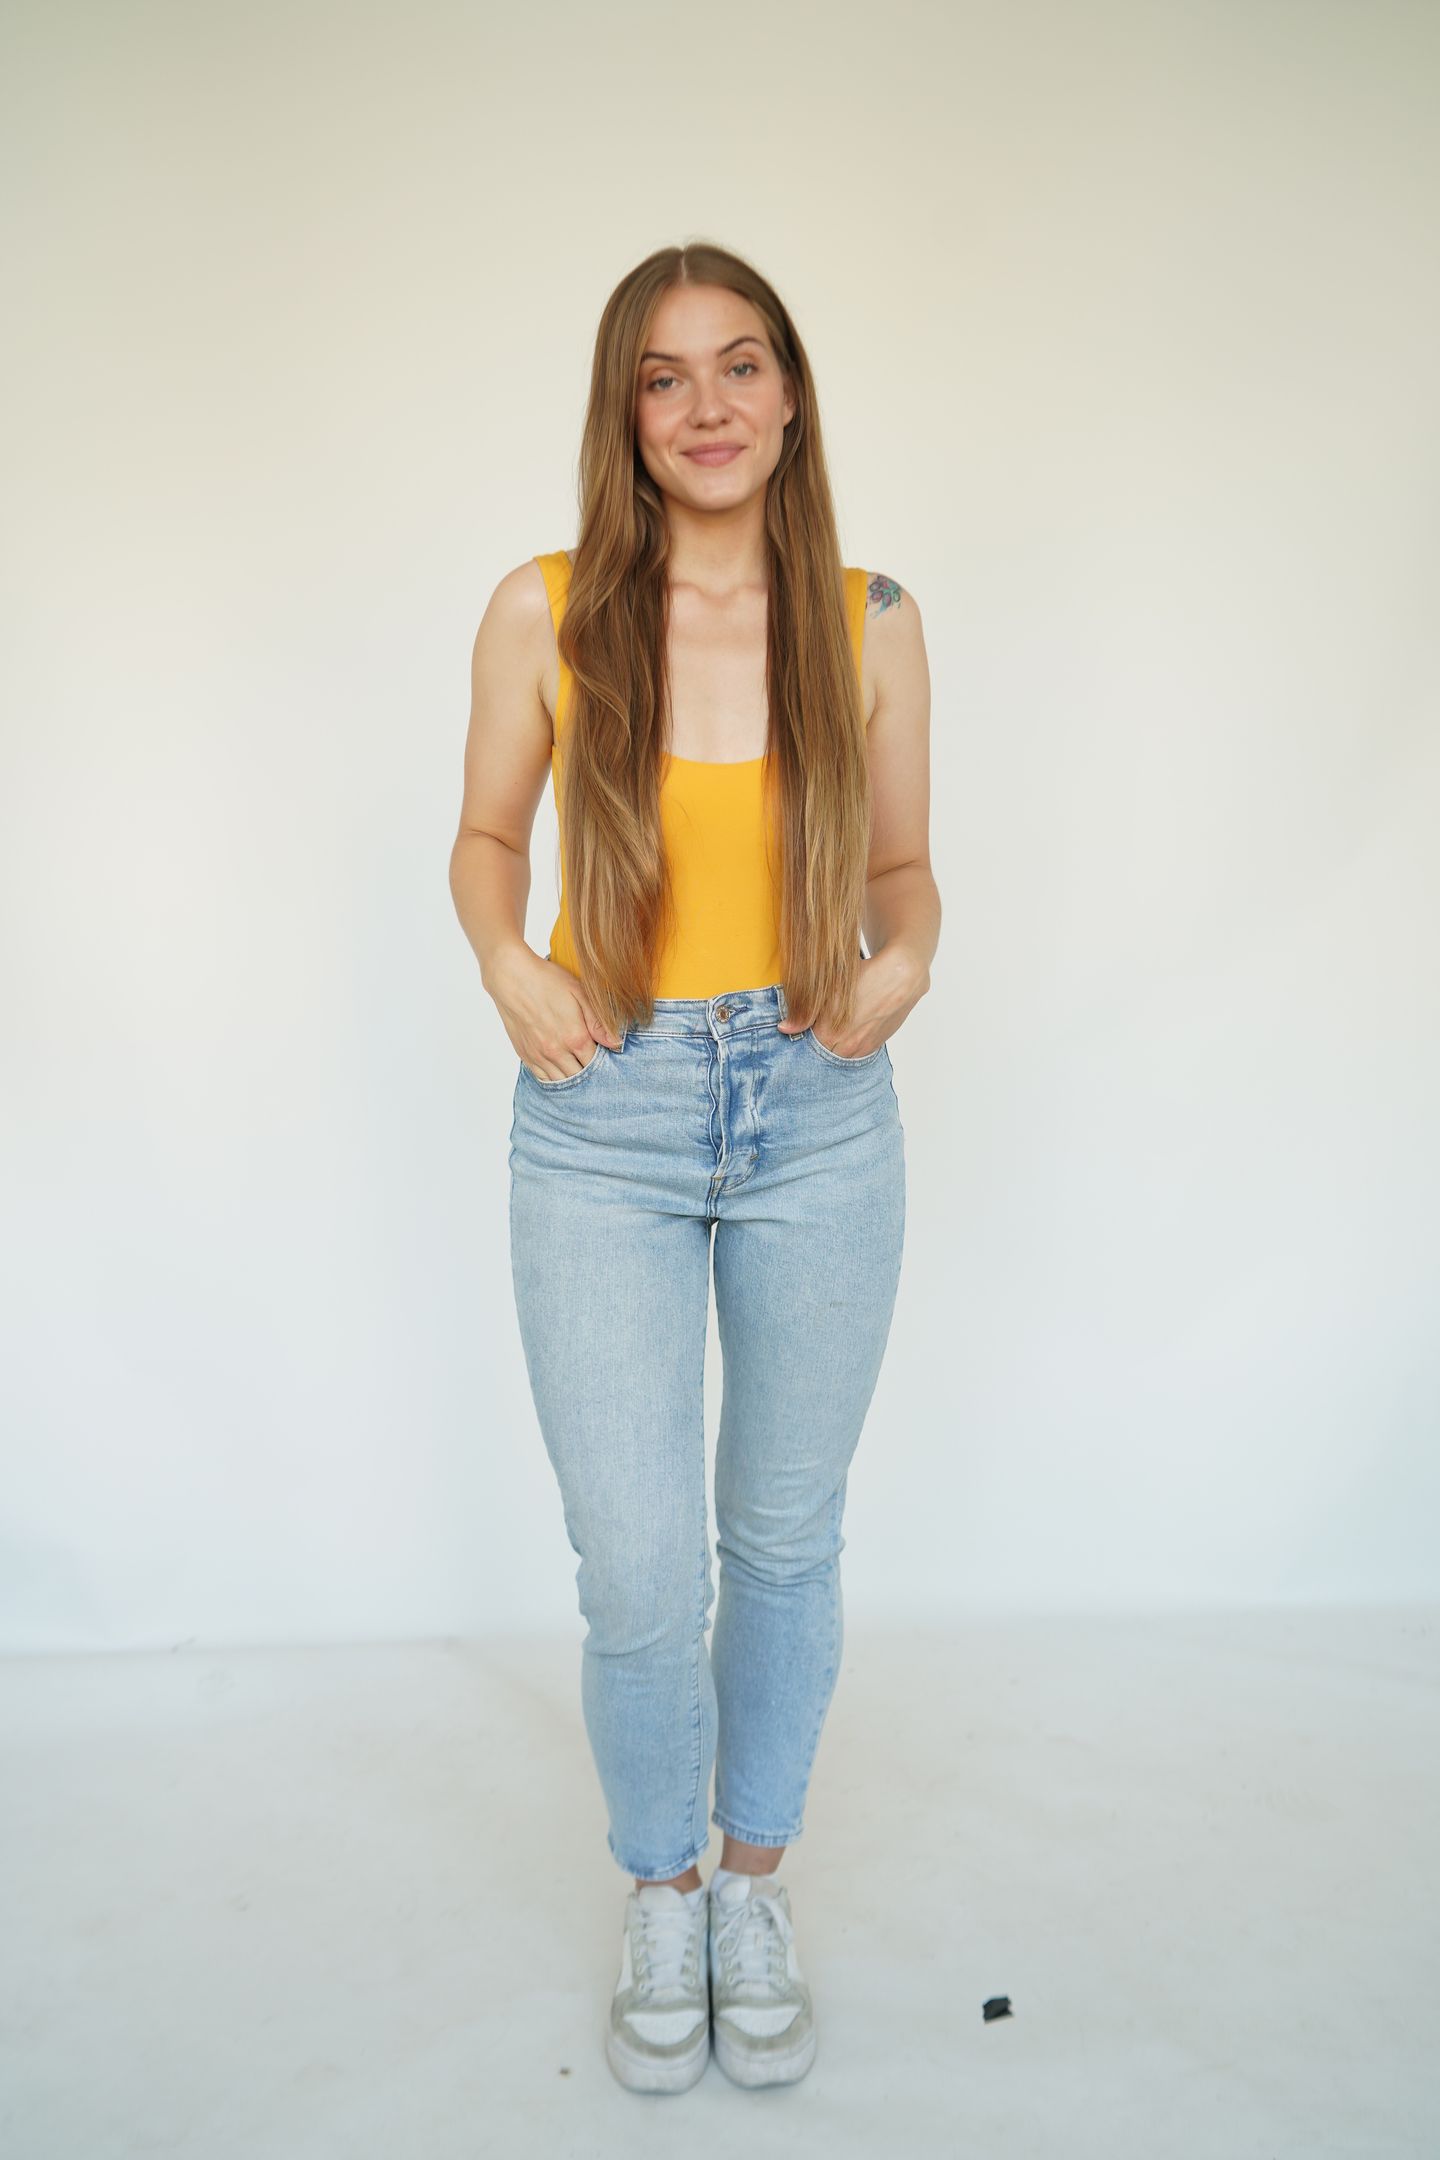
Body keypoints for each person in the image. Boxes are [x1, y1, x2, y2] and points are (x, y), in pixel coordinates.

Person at [448, 240, 939, 2095]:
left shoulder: (872, 618)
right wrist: (507, 963)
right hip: (607, 1112)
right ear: (627, 412)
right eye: (666, 377)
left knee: (785, 1539)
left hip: (818, 1104)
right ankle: (658, 1887)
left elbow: (903, 873)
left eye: (742, 366)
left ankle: (751, 1885)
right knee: (640, 1567)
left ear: (792, 396)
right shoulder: (547, 611)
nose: (708, 405)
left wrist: (909, 957)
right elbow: (487, 835)